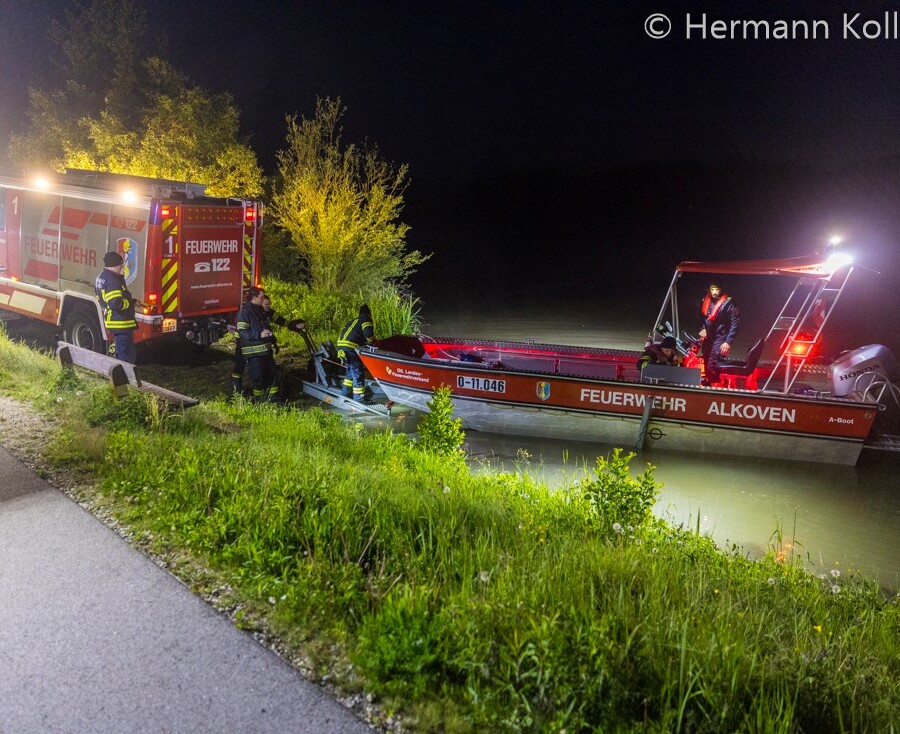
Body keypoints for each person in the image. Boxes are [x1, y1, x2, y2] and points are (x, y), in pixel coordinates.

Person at [230, 293, 305, 396]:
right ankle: (236, 392)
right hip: (243, 343)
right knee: (240, 366)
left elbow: (281, 321)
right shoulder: (249, 313)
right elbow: (243, 332)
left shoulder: (266, 312)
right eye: (266, 304)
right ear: (259, 303)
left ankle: (269, 394)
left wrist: (293, 325)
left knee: (267, 371)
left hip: (260, 346)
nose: (268, 307)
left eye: (269, 304)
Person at [234, 286, 280, 402]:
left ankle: (273, 401)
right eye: (261, 297)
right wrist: (259, 335)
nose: (263, 299)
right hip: (254, 353)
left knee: (274, 377)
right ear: (254, 298)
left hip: (266, 351)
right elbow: (242, 332)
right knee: (259, 380)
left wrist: (273, 340)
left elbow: (268, 326)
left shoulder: (260, 311)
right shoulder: (244, 312)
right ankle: (259, 402)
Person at [95, 251, 137, 364]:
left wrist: (131, 301)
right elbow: (115, 304)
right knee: (126, 354)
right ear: (115, 265)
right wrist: (130, 303)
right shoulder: (113, 280)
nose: (121, 268)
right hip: (121, 322)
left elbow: (105, 299)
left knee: (121, 350)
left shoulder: (101, 277)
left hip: (114, 320)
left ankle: (120, 369)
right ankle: (124, 373)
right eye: (120, 266)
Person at [698, 282, 740, 386]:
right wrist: (703, 329)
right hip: (709, 336)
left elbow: (735, 323)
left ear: (721, 289)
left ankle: (715, 385)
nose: (714, 292)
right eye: (712, 289)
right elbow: (701, 318)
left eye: (717, 289)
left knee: (712, 364)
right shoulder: (705, 300)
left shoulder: (729, 303)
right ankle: (708, 383)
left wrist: (728, 341)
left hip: (721, 336)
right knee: (706, 361)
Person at [336, 304, 375, 402]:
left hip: (341, 347)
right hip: (350, 348)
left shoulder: (354, 321)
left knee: (350, 372)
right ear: (369, 314)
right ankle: (359, 399)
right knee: (358, 373)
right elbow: (368, 334)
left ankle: (345, 394)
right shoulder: (365, 320)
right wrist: (372, 341)